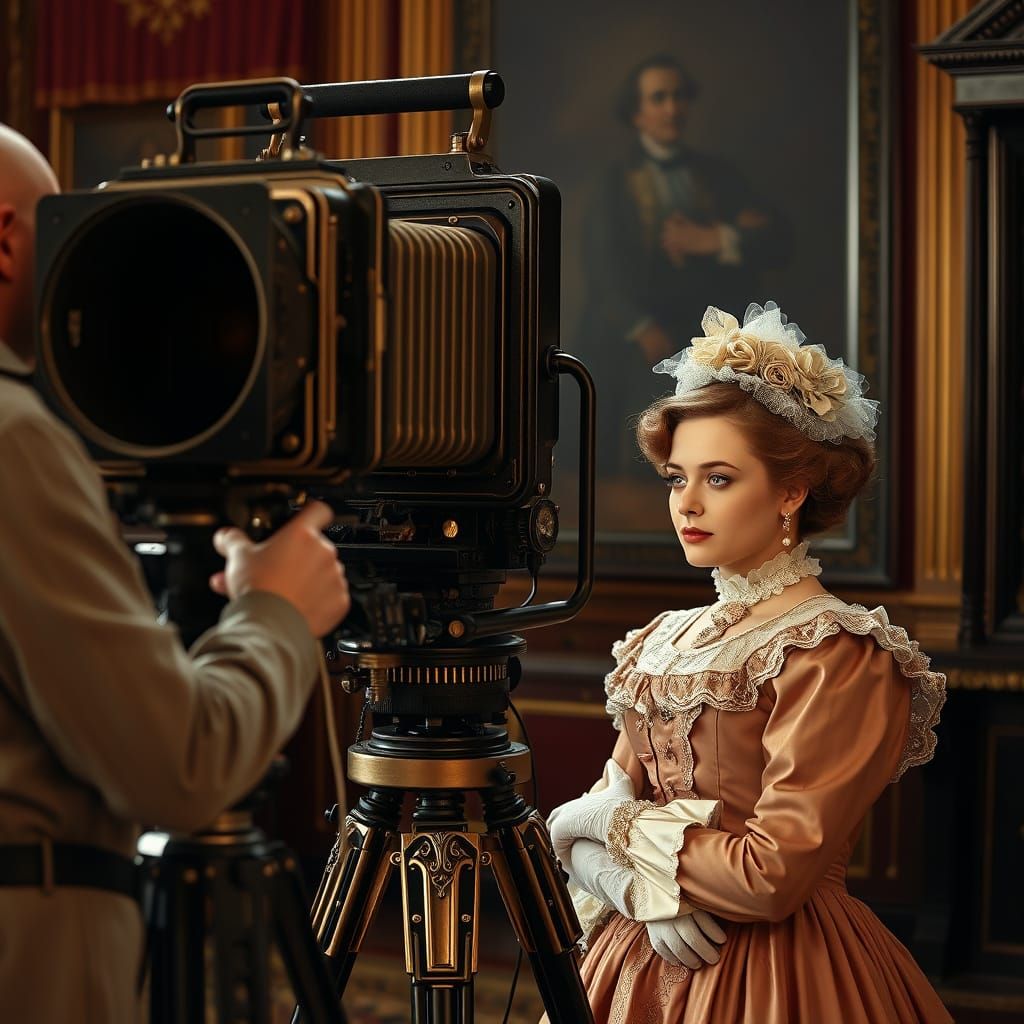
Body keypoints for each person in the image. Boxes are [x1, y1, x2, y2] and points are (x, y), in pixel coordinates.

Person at [0, 124, 351, 1021]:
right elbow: (178, 767)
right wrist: (276, 608)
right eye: (62, 228)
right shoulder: (15, 442)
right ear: (7, 239)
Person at [547, 301, 951, 1022]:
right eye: (677, 478)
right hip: (634, 956)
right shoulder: (663, 638)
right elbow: (603, 800)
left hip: (782, 972)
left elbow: (771, 878)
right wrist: (620, 882)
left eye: (720, 479)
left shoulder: (838, 652)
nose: (688, 504)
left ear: (791, 491)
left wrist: (613, 834)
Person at [575, 54, 790, 476]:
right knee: (639, 455)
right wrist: (640, 327)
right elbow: (600, 269)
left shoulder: (720, 176)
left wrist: (719, 239)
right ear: (637, 113)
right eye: (659, 98)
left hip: (710, 340)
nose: (672, 108)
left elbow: (779, 241)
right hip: (636, 340)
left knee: (718, 451)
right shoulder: (611, 184)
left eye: (678, 97)